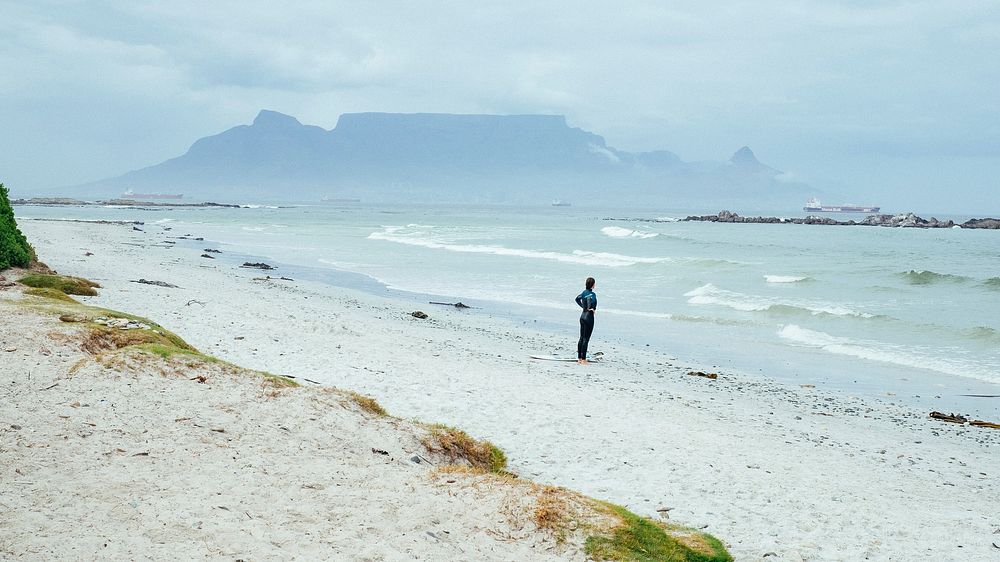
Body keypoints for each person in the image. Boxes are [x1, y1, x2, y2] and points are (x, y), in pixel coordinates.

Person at [575, 277, 597, 364]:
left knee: (581, 338)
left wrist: (583, 307)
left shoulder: (583, 293)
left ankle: (579, 358)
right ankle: (584, 360)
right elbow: (592, 301)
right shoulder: (593, 294)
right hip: (589, 318)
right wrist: (592, 308)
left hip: (582, 316)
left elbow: (577, 299)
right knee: (586, 339)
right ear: (592, 285)